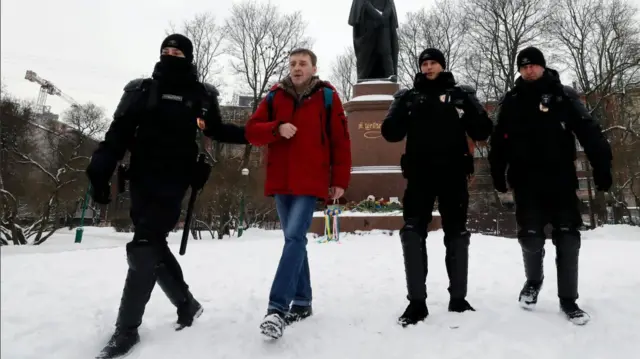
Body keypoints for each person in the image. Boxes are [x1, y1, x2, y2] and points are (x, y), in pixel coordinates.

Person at [86, 34, 247, 358]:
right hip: (142, 178)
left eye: (177, 51)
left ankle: (126, 331)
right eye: (166, 51)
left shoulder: (201, 96)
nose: (170, 55)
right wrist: (99, 173)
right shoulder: (142, 91)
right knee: (152, 244)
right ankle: (186, 303)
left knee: (145, 248)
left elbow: (216, 130)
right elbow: (116, 135)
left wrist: (261, 131)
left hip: (175, 181)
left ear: (187, 57)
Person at [488, 47, 613, 325]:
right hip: (526, 181)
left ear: (543, 67)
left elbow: (589, 130)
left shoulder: (562, 95)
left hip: (560, 180)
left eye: (533, 65)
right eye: (523, 66)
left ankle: (569, 300)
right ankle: (533, 281)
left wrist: (601, 166)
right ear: (519, 70)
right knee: (530, 237)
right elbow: (498, 142)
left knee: (568, 239)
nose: (529, 70)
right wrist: (498, 173)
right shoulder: (511, 100)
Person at [381, 48, 493, 327]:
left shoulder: (461, 94)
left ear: (442, 66)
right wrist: (399, 109)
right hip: (419, 175)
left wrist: (468, 108)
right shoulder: (408, 97)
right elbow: (390, 133)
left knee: (457, 233)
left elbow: (483, 131)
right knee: (411, 233)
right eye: (424, 64)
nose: (428, 67)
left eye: (433, 63)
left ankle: (458, 299)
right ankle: (416, 303)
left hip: (454, 174)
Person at [245, 48, 352, 339]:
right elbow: (252, 131)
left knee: (293, 238)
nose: (296, 67)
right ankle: (302, 302)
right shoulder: (274, 96)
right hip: (281, 181)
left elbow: (341, 141)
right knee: (294, 240)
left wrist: (339, 178)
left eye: (302, 63)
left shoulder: (328, 97)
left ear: (313, 69)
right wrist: (277, 128)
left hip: (311, 181)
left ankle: (276, 309)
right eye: (292, 63)